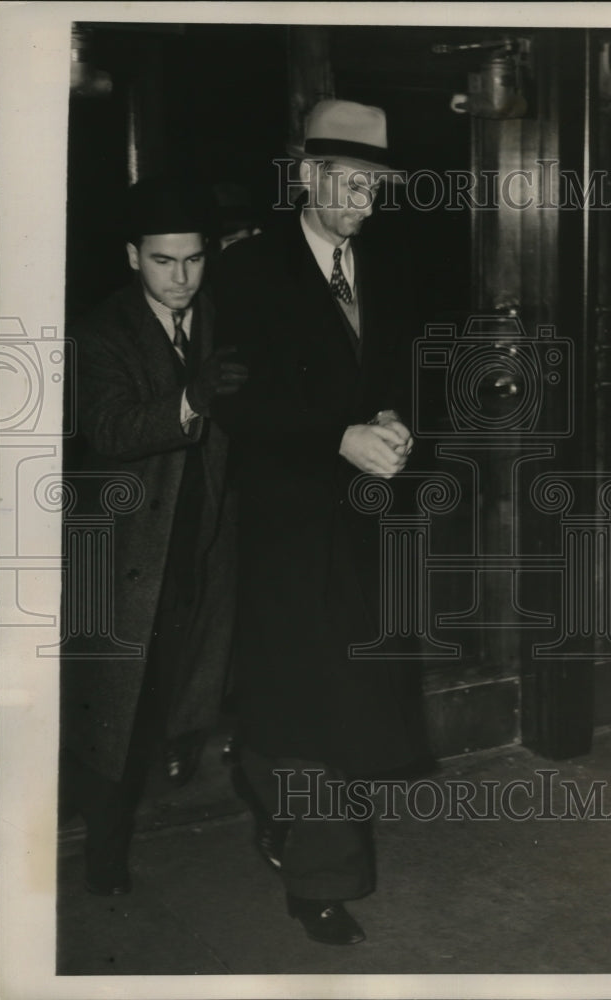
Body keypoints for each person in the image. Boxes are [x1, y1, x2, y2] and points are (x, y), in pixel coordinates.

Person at [214, 100, 430, 945]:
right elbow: (234, 400)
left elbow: (397, 372)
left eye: (378, 186)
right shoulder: (247, 273)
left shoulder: (391, 266)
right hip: (283, 527)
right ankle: (323, 886)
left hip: (364, 526)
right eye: (350, 182)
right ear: (306, 175)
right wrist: (335, 437)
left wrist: (397, 423)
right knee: (308, 706)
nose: (367, 202)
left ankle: (263, 779)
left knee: (324, 703)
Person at [60, 176, 249, 895]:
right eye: (165, 262)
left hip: (206, 535)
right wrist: (191, 397)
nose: (181, 278)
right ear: (133, 256)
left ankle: (182, 742)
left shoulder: (220, 316)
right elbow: (109, 428)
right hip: (130, 556)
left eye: (195, 261)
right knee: (117, 710)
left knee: (194, 670)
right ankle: (105, 853)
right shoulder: (101, 332)